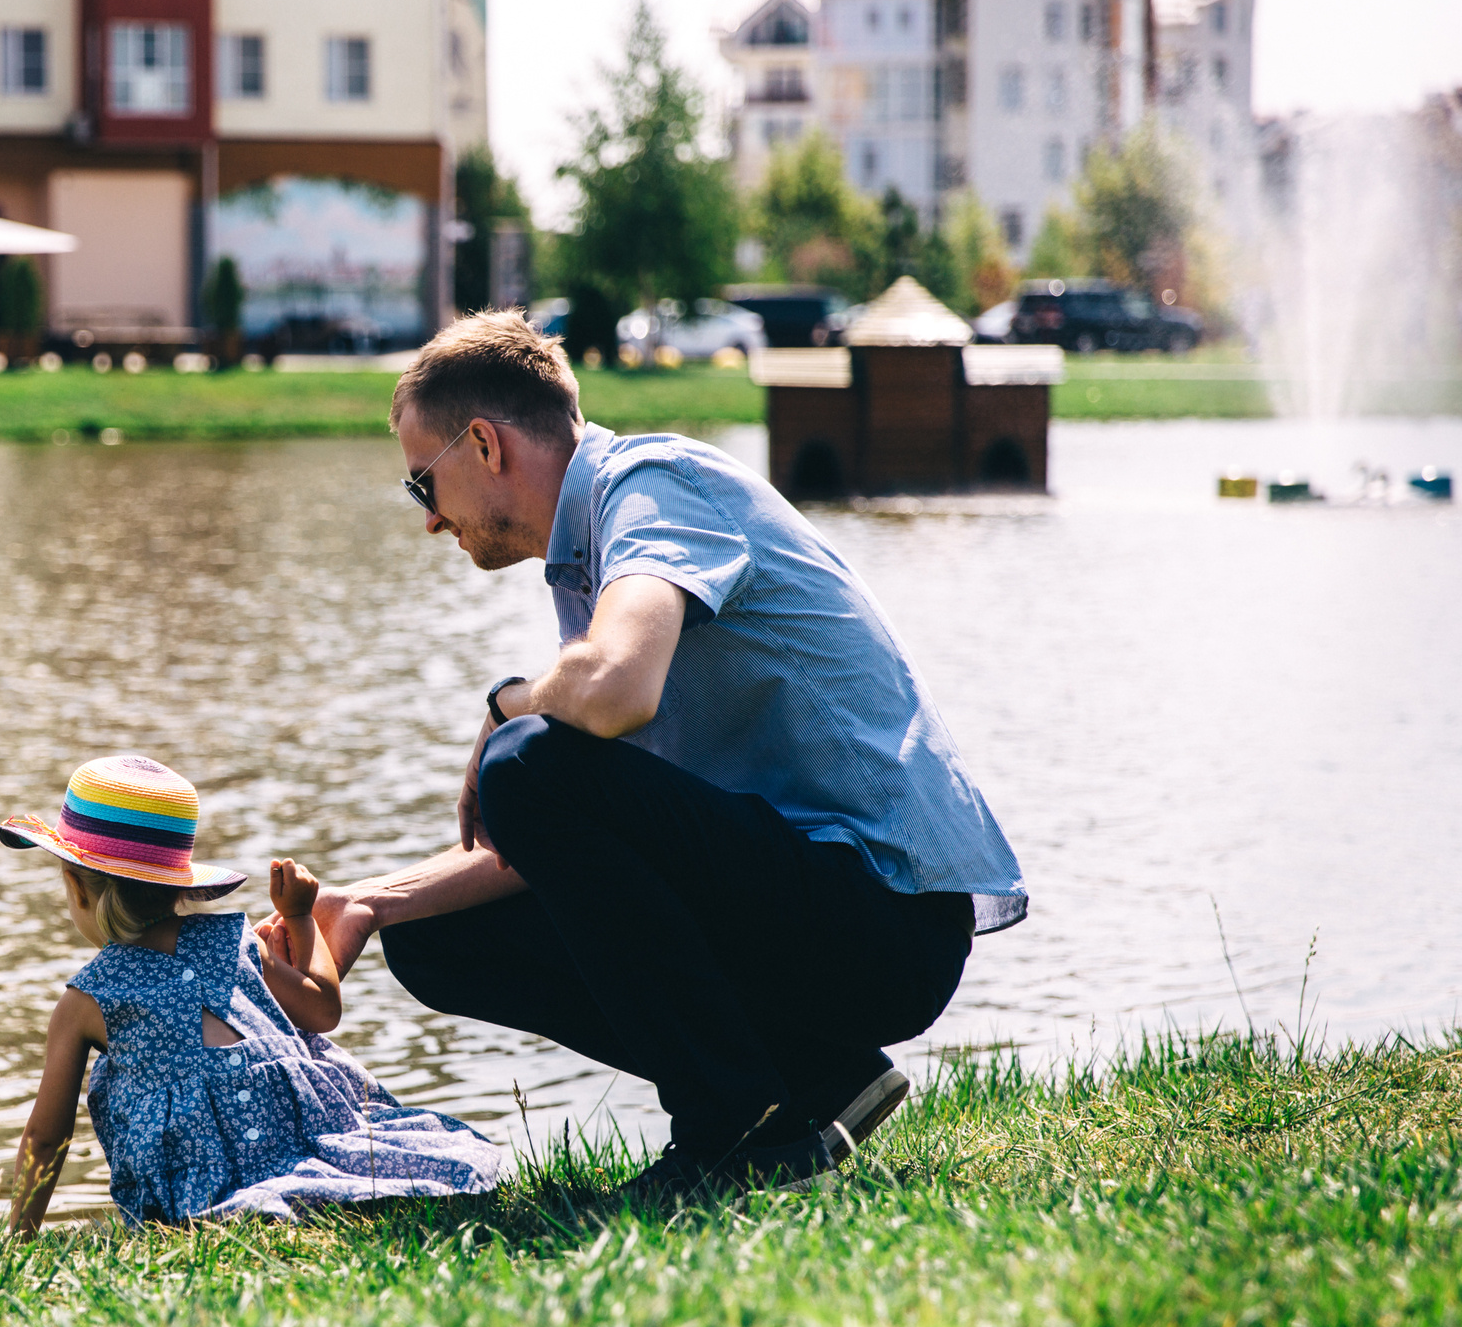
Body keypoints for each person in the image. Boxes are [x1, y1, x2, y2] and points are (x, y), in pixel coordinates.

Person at [307, 311, 1026, 1204]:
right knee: (434, 942)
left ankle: (730, 1128)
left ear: (484, 444)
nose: (429, 521)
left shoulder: (653, 487)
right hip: (805, 905)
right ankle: (815, 1079)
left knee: (525, 764)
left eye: (424, 484)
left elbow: (609, 693)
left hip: (885, 920)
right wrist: (367, 906)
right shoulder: (593, 563)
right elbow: (573, 838)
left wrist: (505, 706)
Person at [0, 754, 505, 1234]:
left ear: (78, 888)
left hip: (198, 1192)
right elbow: (323, 1006)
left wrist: (14, 1239)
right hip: (306, 1143)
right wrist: (301, 918)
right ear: (180, 886)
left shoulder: (86, 1000)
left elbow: (47, 1136)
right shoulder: (234, 940)